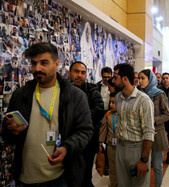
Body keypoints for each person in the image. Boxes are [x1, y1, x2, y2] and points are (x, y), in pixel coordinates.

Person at [1, 42, 93, 186]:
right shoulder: (20, 95)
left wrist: (67, 148)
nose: (37, 68)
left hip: (60, 177)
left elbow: (85, 130)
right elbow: (6, 135)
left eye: (44, 63)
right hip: (25, 177)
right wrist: (11, 131)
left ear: (56, 64)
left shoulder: (75, 96)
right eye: (34, 63)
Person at [112, 63, 154, 187]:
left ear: (125, 79)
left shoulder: (143, 100)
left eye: (115, 77)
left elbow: (149, 132)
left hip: (137, 148)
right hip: (121, 147)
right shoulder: (118, 98)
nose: (113, 81)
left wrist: (143, 160)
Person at [68, 61, 105, 187]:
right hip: (67, 141)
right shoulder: (62, 90)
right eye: (76, 71)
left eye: (83, 73)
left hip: (88, 142)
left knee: (85, 176)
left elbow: (99, 109)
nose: (79, 75)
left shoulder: (92, 90)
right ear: (69, 73)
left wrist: (79, 118)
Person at [138, 69, 169, 187]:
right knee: (143, 164)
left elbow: (167, 114)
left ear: (150, 79)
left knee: (157, 165)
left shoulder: (159, 94)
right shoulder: (138, 94)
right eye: (139, 78)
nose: (140, 81)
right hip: (141, 134)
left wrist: (153, 120)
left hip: (157, 134)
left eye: (143, 78)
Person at [99, 92, 119, 187]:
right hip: (111, 145)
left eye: (113, 102)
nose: (111, 104)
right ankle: (113, 184)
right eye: (110, 102)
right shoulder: (108, 114)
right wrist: (100, 143)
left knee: (122, 167)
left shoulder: (124, 114)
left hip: (122, 145)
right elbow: (103, 130)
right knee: (112, 167)